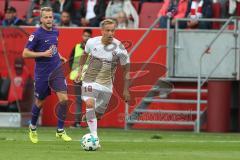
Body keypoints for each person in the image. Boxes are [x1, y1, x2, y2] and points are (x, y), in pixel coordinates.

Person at [75, 19, 130, 143]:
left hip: (106, 85)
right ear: (102, 31)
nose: (110, 33)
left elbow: (126, 69)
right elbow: (84, 55)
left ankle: (91, 116)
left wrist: (126, 89)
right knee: (89, 104)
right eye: (108, 30)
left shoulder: (119, 48)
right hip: (90, 80)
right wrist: (79, 71)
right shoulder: (91, 42)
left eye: (113, 30)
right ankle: (94, 137)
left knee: (98, 115)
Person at [22, 7, 72, 144]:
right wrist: (42, 54)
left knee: (64, 100)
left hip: (56, 71)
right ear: (41, 19)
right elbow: (25, 53)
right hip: (42, 75)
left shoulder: (56, 31)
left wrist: (59, 56)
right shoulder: (36, 35)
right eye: (46, 17)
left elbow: (53, 48)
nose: (49, 19)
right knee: (40, 102)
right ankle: (32, 127)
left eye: (51, 17)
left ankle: (60, 131)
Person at [69, 29, 92, 127]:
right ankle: (77, 122)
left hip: (88, 78)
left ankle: (89, 122)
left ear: (91, 37)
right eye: (85, 35)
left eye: (88, 36)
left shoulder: (93, 48)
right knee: (78, 100)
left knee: (89, 101)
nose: (86, 37)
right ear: (82, 36)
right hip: (77, 78)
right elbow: (70, 60)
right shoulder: (76, 47)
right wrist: (74, 72)